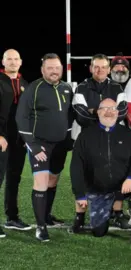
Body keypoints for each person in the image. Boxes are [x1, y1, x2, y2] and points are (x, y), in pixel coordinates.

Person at [70, 98, 131, 245]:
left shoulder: (127, 134)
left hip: (122, 186)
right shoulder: (85, 135)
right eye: (105, 109)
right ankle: (109, 213)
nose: (109, 112)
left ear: (117, 113)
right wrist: (80, 194)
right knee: (98, 232)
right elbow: (76, 167)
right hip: (99, 190)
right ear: (98, 112)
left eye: (112, 108)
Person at [15, 53, 73, 241]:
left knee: (53, 180)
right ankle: (40, 227)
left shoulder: (66, 88)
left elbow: (69, 115)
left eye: (57, 67)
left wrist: (70, 138)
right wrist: (32, 144)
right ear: (43, 70)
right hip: (40, 144)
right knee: (41, 181)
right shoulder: (34, 88)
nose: (54, 71)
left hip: (60, 144)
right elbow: (21, 117)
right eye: (50, 68)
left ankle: (47, 217)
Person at [70, 53, 129, 232]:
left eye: (104, 67)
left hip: (112, 137)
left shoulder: (117, 87)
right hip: (86, 138)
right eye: (96, 66)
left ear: (109, 69)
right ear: (90, 68)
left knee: (118, 172)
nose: (100, 70)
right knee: (83, 174)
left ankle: (117, 212)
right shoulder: (81, 87)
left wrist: (95, 110)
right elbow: (81, 115)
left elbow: (123, 111)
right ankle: (80, 216)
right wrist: (106, 112)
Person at [0, 49, 30, 234]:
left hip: (18, 140)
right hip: (1, 138)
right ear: (3, 62)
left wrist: (27, 137)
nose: (12, 62)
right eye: (9, 59)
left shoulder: (25, 83)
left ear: (20, 62)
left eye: (15, 59)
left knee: (14, 179)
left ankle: (12, 217)